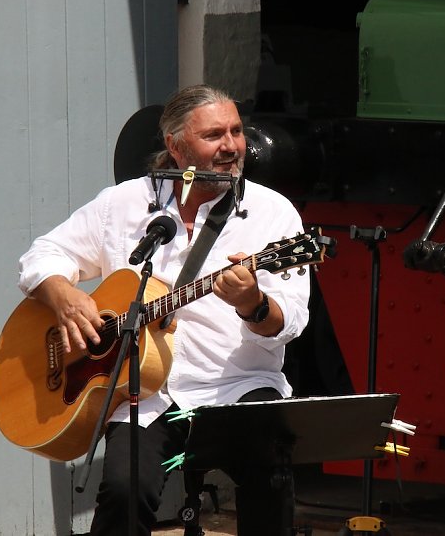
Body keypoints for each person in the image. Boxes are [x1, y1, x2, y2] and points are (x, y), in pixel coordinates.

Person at [18, 84, 311, 535]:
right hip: (148, 393)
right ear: (175, 146)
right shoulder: (126, 203)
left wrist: (253, 304)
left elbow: (289, 322)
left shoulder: (275, 214)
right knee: (121, 490)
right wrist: (64, 295)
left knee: (272, 477)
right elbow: (42, 256)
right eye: (214, 135)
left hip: (238, 387)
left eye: (236, 132)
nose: (232, 146)